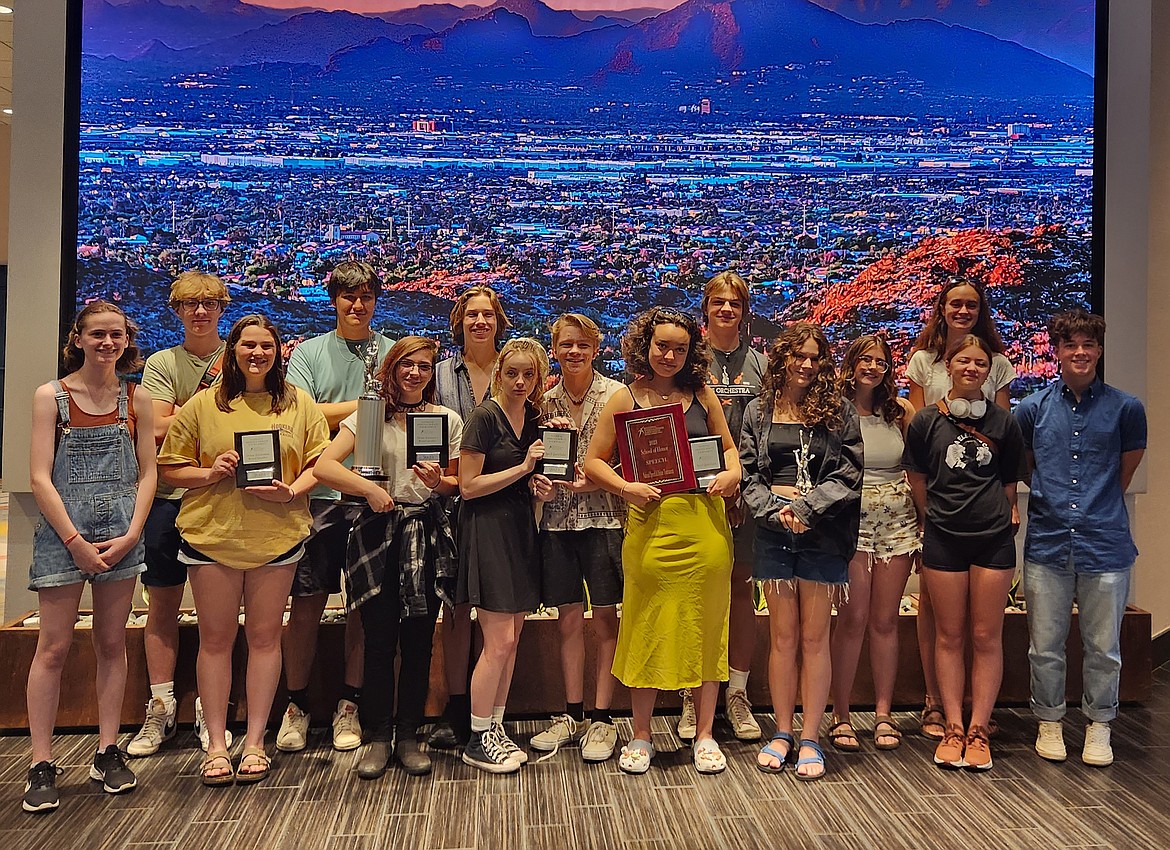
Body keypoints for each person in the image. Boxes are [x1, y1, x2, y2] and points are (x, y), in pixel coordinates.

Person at [158, 314, 330, 786]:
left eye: (266, 346)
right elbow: (171, 467)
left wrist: (292, 491)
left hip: (278, 538)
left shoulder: (300, 405)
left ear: (279, 353)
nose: (257, 354)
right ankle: (216, 743)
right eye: (247, 345)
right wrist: (210, 472)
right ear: (232, 351)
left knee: (264, 639)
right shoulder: (202, 405)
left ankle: (255, 741)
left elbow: (322, 465)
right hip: (213, 537)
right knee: (215, 641)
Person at [584, 307, 741, 776]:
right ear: (644, 347)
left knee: (708, 628)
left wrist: (732, 474)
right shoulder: (624, 398)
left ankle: (707, 733)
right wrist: (625, 487)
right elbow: (594, 462)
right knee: (646, 627)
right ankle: (641, 734)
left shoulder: (702, 393)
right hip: (650, 528)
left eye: (679, 347)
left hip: (705, 525)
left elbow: (728, 449)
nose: (670, 355)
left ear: (691, 351)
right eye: (662, 346)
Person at [23, 302, 157, 813]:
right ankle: (40, 761)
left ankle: (107, 749)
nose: (108, 343)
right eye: (97, 334)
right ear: (77, 338)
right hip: (64, 535)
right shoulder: (50, 397)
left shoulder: (136, 398)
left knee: (111, 643)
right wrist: (75, 540)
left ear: (127, 340)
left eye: (116, 335)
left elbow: (148, 473)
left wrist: (132, 534)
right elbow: (39, 476)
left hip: (122, 536)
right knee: (52, 648)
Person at [314, 336, 464, 779]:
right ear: (392, 368)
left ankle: (409, 736)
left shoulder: (446, 419)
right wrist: (371, 490)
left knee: (419, 642)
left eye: (423, 366)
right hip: (378, 532)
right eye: (406, 365)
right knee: (378, 642)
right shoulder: (371, 416)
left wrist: (439, 483)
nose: (415, 373)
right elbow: (325, 466)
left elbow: (456, 483)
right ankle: (378, 737)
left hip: (427, 534)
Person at [1016, 309, 1147, 767]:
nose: (1080, 353)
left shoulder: (1126, 408)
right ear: (1056, 351)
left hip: (1105, 541)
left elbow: (1125, 469)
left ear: (1100, 351)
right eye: (1071, 344)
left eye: (1089, 345)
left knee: (1104, 647)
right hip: (1048, 542)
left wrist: (1093, 502)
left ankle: (1099, 726)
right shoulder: (1030, 409)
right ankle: (1049, 721)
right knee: (1045, 645)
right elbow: (1028, 468)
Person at [739, 322, 863, 781]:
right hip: (774, 532)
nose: (808, 365)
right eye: (799, 356)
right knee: (782, 639)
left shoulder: (840, 411)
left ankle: (811, 736)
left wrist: (806, 509)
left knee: (815, 639)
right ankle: (783, 731)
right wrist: (777, 512)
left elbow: (849, 474)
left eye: (816, 357)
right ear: (781, 358)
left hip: (823, 532)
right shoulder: (757, 410)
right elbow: (749, 476)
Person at [279, 261, 394, 754]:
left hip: (376, 495)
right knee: (305, 605)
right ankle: (297, 705)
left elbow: (405, 406)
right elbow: (302, 413)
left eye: (366, 296)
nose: (357, 304)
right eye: (348, 296)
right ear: (334, 300)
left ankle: (350, 703)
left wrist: (356, 406)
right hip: (319, 496)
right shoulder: (308, 352)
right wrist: (369, 402)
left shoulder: (392, 351)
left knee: (362, 609)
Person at [903, 334, 1026, 771]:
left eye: (980, 363)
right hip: (943, 536)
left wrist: (1007, 509)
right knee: (949, 635)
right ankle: (953, 727)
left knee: (985, 636)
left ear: (988, 371)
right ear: (948, 368)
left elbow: (1010, 480)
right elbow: (917, 475)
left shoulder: (1004, 423)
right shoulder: (924, 423)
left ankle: (979, 730)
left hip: (992, 537)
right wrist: (928, 516)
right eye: (964, 362)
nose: (972, 369)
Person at [127, 271, 232, 758]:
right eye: (190, 304)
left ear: (222, 307)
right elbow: (153, 429)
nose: (200, 312)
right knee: (163, 602)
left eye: (209, 303)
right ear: (177, 310)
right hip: (170, 499)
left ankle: (215, 711)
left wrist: (181, 421)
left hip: (229, 500)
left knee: (225, 613)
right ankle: (162, 703)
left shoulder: (242, 355)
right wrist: (206, 418)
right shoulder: (162, 363)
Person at [528, 314, 626, 762]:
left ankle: (603, 719)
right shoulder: (541, 403)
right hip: (558, 524)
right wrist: (539, 487)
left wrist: (603, 480)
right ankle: (571, 714)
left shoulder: (617, 395)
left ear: (596, 347)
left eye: (582, 345)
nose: (574, 352)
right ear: (555, 348)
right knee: (567, 619)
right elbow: (534, 465)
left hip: (605, 520)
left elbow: (633, 460)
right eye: (566, 345)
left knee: (606, 620)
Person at [459, 338, 557, 773]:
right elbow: (468, 486)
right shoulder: (483, 417)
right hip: (487, 533)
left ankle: (495, 727)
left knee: (511, 640)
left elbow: (530, 479)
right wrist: (522, 469)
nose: (520, 381)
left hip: (521, 530)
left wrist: (538, 485)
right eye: (513, 373)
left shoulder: (533, 418)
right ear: (499, 373)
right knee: (497, 642)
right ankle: (478, 737)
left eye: (529, 374)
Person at [678, 271, 766, 743]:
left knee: (740, 594)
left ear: (744, 310)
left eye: (735, 303)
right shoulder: (689, 366)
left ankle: (736, 693)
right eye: (718, 303)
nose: (727, 310)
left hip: (747, 497)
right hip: (696, 496)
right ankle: (694, 693)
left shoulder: (761, 366)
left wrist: (746, 487)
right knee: (698, 598)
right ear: (706, 310)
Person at [428, 285, 511, 750]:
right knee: (456, 610)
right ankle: (457, 704)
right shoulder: (439, 375)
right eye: (471, 315)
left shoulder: (516, 374)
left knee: (501, 615)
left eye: (488, 315)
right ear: (458, 321)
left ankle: (491, 709)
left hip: (503, 508)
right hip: (448, 506)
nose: (480, 322)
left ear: (499, 322)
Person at [827, 335, 919, 753]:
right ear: (851, 363)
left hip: (897, 521)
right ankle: (840, 714)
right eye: (864, 359)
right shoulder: (831, 410)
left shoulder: (900, 411)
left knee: (885, 622)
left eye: (880, 361)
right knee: (852, 619)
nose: (872, 367)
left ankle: (883, 714)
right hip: (850, 520)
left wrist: (926, 526)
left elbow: (916, 471)